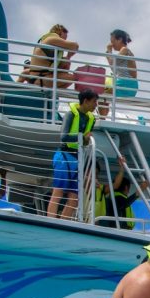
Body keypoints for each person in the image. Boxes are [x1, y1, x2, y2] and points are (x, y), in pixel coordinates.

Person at [46, 90, 98, 219]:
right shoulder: (70, 115)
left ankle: (64, 223)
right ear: (85, 101)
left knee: (74, 198)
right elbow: (63, 137)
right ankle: (51, 221)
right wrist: (82, 137)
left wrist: (85, 140)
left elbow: (84, 143)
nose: (96, 105)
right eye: (94, 102)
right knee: (58, 192)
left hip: (77, 158)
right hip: (64, 156)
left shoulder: (90, 119)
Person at [17, 24, 79, 90]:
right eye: (64, 38)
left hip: (41, 76)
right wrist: (69, 54)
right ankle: (53, 91)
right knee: (72, 78)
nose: (65, 40)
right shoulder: (51, 40)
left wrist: (68, 57)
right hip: (40, 78)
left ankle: (52, 91)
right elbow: (75, 46)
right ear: (60, 32)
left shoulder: (43, 41)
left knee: (65, 61)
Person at [97, 30, 138, 118]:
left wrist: (108, 51)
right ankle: (103, 117)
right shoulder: (123, 51)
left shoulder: (125, 50)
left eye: (113, 41)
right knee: (103, 96)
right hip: (125, 83)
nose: (112, 44)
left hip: (126, 84)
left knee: (102, 96)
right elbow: (114, 69)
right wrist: (108, 53)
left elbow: (113, 64)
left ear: (119, 39)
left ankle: (102, 118)